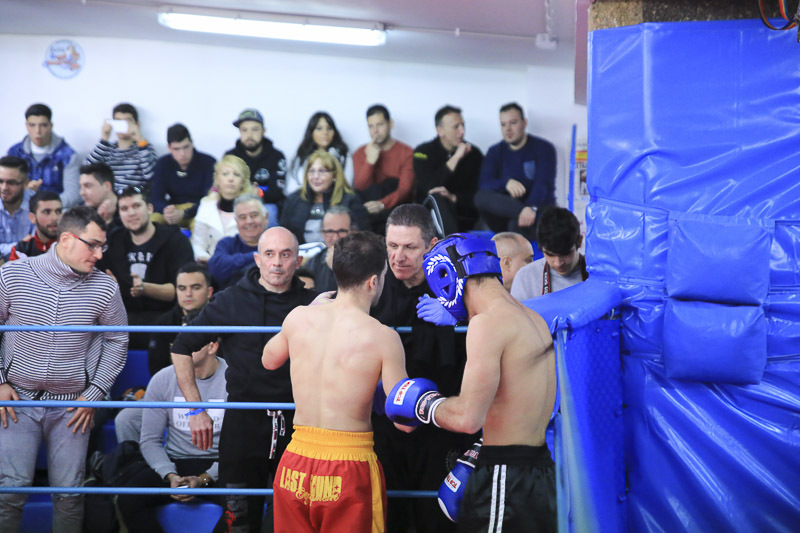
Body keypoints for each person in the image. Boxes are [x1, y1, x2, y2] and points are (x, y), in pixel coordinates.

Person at [387, 233, 557, 532]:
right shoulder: (532, 317)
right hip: (540, 471)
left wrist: (423, 404)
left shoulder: (486, 324)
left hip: (506, 474)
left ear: (447, 278)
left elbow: (466, 418)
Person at [171, 227, 317, 533]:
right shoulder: (231, 301)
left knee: (293, 519)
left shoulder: (315, 304)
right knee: (238, 518)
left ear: (298, 260)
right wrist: (195, 409)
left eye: (285, 254)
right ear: (257, 259)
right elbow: (181, 347)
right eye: (269, 254)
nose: (277, 262)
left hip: (299, 424)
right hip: (244, 423)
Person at [263, 232, 410, 533]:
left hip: (295, 461)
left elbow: (269, 360)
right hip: (349, 464)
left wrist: (310, 311)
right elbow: (403, 420)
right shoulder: (384, 337)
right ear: (374, 281)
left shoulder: (299, 317)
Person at [0, 206, 128, 533]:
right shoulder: (13, 274)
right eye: (93, 245)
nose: (99, 254)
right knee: (9, 492)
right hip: (16, 400)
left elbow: (118, 339)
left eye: (103, 246)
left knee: (70, 495)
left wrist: (94, 394)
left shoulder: (106, 287)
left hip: (73, 405)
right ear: (67, 238)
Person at [370, 204, 474, 533]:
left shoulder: (458, 286)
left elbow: (499, 329)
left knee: (435, 519)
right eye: (392, 245)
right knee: (390, 516)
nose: (398, 257)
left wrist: (460, 318)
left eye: (409, 247)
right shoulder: (372, 286)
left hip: (441, 423)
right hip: (385, 425)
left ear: (431, 245)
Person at [117, 339, 227, 533]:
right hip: (175, 462)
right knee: (128, 498)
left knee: (241, 503)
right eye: (177, 344)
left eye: (189, 344)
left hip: (222, 464)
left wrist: (205, 479)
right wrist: (170, 475)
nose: (180, 349)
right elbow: (150, 440)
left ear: (212, 347)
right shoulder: (163, 378)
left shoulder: (234, 379)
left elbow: (240, 446)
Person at [99, 186, 194, 349]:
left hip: (166, 319)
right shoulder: (113, 241)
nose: (131, 213)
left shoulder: (175, 241)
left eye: (136, 206)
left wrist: (145, 288)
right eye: (124, 209)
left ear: (149, 208)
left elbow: (181, 291)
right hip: (122, 318)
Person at [475, 103, 557, 238]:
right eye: (503, 124)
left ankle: (522, 214)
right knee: (480, 197)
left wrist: (531, 207)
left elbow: (542, 184)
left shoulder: (544, 148)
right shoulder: (494, 151)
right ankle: (520, 212)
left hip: (536, 211)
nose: (508, 129)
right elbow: (485, 184)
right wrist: (506, 183)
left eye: (513, 123)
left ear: (524, 123)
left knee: (516, 224)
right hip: (507, 211)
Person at [413, 105, 483, 234]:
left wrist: (454, 198)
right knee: (438, 195)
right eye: (456, 127)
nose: (462, 132)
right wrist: (456, 157)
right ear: (440, 131)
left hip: (465, 212)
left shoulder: (474, 154)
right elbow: (430, 187)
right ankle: (450, 241)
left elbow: (480, 192)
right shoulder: (422, 152)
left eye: (463, 125)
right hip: (430, 217)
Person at [282, 149, 368, 245]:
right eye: (311, 171)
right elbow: (284, 234)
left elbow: (363, 236)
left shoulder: (350, 200)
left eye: (322, 171)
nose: (315, 176)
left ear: (334, 175)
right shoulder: (294, 200)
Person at [352, 105, 415, 233]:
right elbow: (360, 188)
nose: (375, 131)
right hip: (368, 210)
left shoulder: (406, 152)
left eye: (380, 125)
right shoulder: (360, 153)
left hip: (395, 208)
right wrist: (370, 162)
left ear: (390, 124)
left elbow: (405, 189)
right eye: (371, 126)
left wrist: (382, 204)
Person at [7, 103, 81, 208]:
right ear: (26, 126)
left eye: (43, 125)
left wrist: (45, 207)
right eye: (32, 125)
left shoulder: (68, 155)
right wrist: (25, 194)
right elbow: (6, 188)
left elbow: (72, 194)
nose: (38, 131)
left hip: (56, 210)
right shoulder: (15, 153)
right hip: (22, 208)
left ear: (51, 126)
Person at [225, 108, 286, 227]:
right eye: (244, 130)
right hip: (236, 203)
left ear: (263, 131)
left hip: (265, 204)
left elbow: (277, 192)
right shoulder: (230, 156)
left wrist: (259, 193)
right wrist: (247, 192)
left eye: (255, 129)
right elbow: (224, 189)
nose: (249, 135)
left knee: (269, 212)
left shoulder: (276, 156)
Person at [511, 207, 587, 300]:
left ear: (579, 241)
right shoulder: (526, 278)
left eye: (565, 254)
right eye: (550, 255)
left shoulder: (598, 274)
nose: (558, 263)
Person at [150, 123, 216, 227]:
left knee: (201, 224)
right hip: (172, 209)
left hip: (198, 211)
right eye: (176, 149)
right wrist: (167, 210)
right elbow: (156, 198)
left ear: (192, 143)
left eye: (186, 147)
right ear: (169, 148)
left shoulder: (208, 163)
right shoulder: (163, 163)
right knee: (152, 221)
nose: (182, 153)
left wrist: (185, 213)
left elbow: (210, 199)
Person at [192, 155, 254, 264]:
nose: (231, 179)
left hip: (242, 265)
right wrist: (207, 259)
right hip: (209, 263)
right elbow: (198, 244)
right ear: (217, 179)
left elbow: (254, 247)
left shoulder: (253, 207)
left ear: (243, 181)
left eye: (236, 174)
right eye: (225, 174)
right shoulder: (206, 204)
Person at [85, 102, 158, 193]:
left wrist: (140, 140)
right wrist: (104, 139)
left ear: (137, 124)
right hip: (110, 197)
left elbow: (152, 177)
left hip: (134, 196)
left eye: (127, 121)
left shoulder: (145, 148)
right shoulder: (106, 149)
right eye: (118, 121)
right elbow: (87, 170)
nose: (122, 125)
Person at [208, 194, 269, 289]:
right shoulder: (226, 244)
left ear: (266, 217)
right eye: (242, 217)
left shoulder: (278, 242)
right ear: (236, 221)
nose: (249, 221)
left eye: (254, 215)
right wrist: (256, 256)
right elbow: (215, 270)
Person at [286, 112, 353, 196]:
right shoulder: (301, 155)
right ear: (311, 132)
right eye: (319, 128)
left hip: (336, 199)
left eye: (329, 128)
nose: (325, 132)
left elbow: (347, 185)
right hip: (303, 199)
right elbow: (291, 188)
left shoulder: (343, 155)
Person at [301, 205, 354, 293]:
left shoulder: (364, 260)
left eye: (341, 231)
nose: (336, 238)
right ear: (322, 233)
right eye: (330, 231)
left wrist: (338, 269)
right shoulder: (313, 263)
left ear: (352, 232)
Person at [8, 190, 62, 261]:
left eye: (58, 212)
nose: (55, 218)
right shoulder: (21, 251)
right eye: (47, 212)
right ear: (32, 218)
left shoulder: (72, 245)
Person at [0, 156, 34, 261]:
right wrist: (20, 246)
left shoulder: (37, 205)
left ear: (26, 183)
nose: (4, 188)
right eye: (0, 181)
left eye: (11, 183)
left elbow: (35, 247)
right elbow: (27, 245)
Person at [79, 162, 122, 236]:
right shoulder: (82, 214)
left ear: (107, 186)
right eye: (81, 187)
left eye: (87, 186)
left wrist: (109, 221)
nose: (82, 193)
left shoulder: (128, 209)